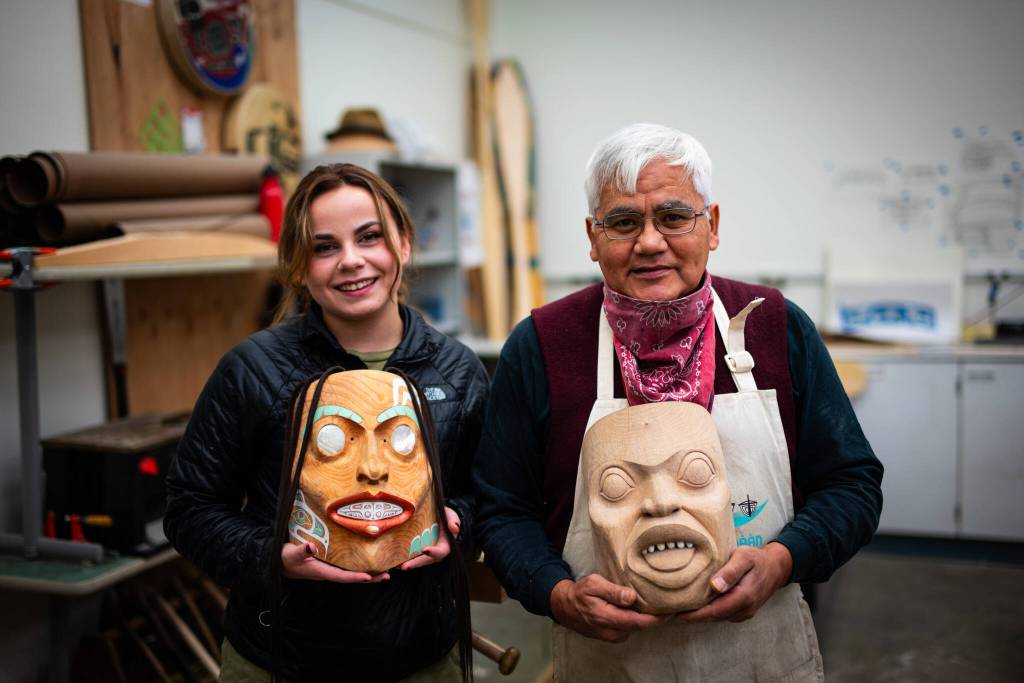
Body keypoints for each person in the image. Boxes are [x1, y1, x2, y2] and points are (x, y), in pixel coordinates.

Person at [473, 123, 883, 681]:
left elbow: (852, 483)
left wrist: (783, 561)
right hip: (608, 663)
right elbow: (502, 510)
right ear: (592, 238)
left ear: (711, 226)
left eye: (672, 217)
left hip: (762, 657)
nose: (648, 242)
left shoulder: (774, 327)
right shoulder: (542, 346)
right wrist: (558, 592)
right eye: (623, 222)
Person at [164, 163, 489, 682]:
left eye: (370, 237)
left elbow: (487, 493)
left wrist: (459, 526)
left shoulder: (456, 372)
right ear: (298, 268)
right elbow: (189, 509)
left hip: (421, 658)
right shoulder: (255, 371)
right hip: (281, 660)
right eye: (324, 247)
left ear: (403, 246)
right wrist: (272, 556)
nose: (352, 261)